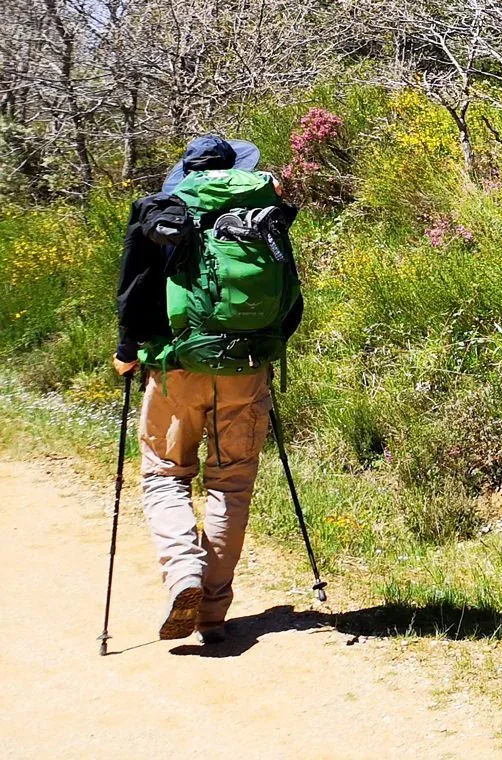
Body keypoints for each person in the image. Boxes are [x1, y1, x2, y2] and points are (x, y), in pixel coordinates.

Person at [114, 135, 302, 644]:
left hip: (178, 368)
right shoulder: (264, 208)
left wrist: (128, 350)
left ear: (188, 170)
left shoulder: (163, 211)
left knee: (166, 475)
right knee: (231, 485)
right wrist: (262, 351)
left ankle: (183, 576)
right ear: (234, 168)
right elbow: (291, 299)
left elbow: (135, 288)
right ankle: (213, 611)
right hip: (246, 366)